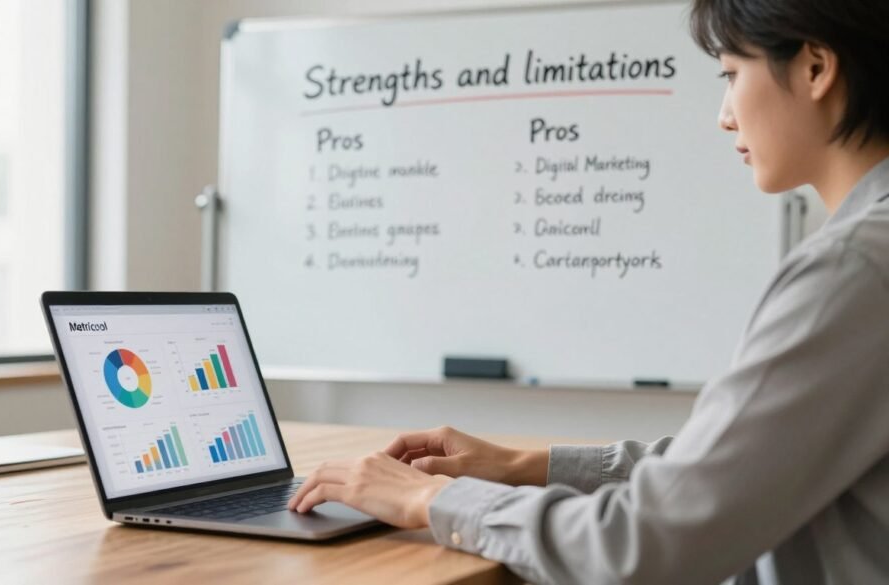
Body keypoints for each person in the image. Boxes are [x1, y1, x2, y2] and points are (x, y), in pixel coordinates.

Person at [288, 0, 889, 582]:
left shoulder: (852, 269)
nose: (724, 114)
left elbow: (647, 545)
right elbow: (735, 466)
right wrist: (522, 467)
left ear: (815, 67)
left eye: (732, 74)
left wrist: (435, 500)